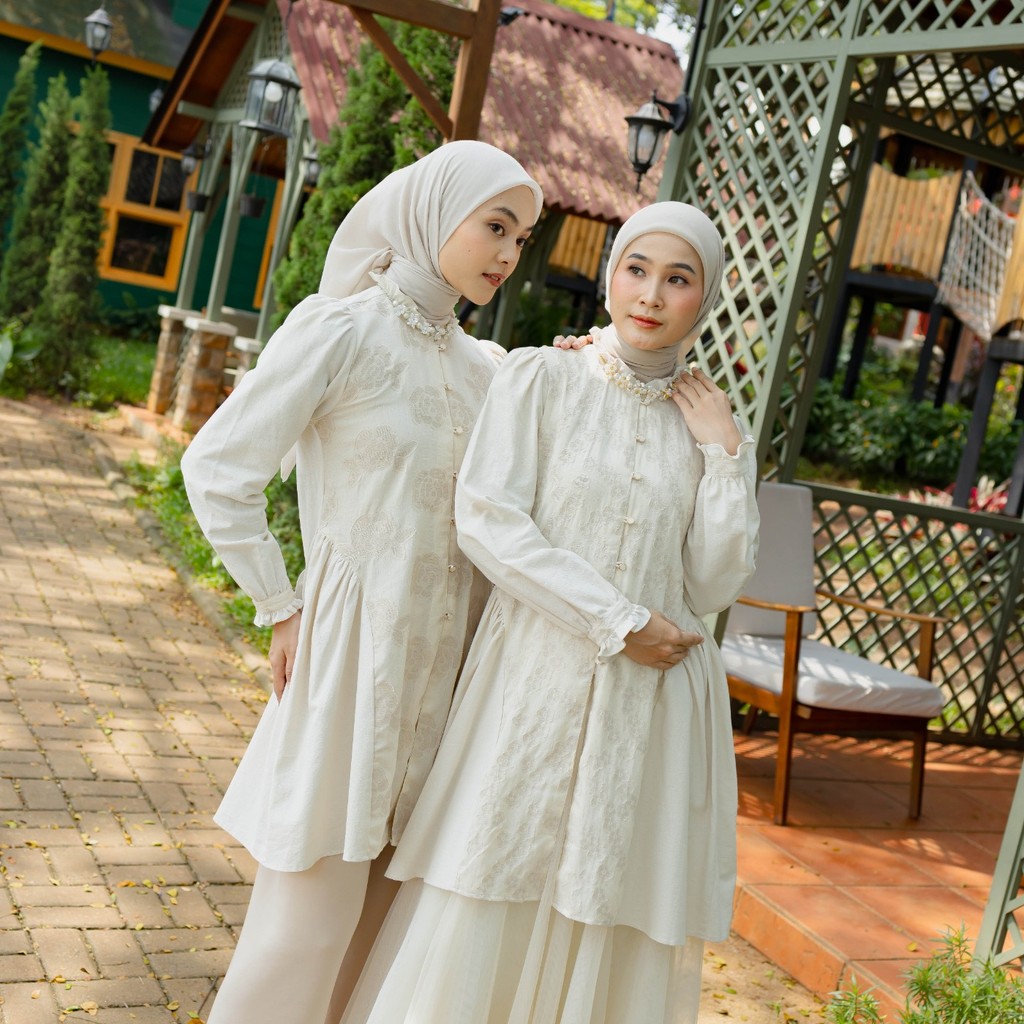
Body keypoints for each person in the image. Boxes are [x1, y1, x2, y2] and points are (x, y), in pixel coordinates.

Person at [340, 201, 760, 1024]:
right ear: (610, 276)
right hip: (537, 677)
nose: (651, 295)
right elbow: (488, 520)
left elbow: (712, 584)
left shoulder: (708, 424)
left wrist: (724, 455)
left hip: (651, 707)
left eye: (678, 279)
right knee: (497, 865)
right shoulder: (542, 378)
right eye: (636, 269)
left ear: (704, 299)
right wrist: (618, 620)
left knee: (606, 889)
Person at [179, 140, 544, 1024]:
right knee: (304, 929)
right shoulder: (341, 329)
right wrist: (280, 605)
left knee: (385, 935)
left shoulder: (486, 370)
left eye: (523, 239)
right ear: (433, 212)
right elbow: (218, 467)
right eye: (495, 226)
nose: (507, 253)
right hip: (350, 662)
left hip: (448, 675)